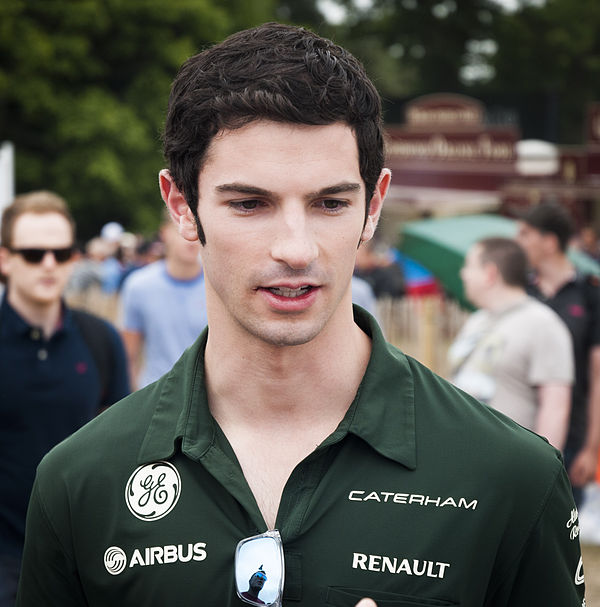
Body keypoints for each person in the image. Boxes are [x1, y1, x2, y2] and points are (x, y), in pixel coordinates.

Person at [17, 24, 585, 607]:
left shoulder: (511, 477)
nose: (296, 248)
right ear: (182, 207)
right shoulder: (79, 481)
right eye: (249, 203)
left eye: (330, 203)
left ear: (374, 205)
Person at [0, 191, 130, 607]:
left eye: (61, 252)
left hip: (85, 558)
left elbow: (123, 448)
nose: (50, 264)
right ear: (5, 259)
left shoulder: (99, 339)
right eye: (34, 253)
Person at [448, 237, 574, 450]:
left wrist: (541, 472)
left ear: (490, 273)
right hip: (465, 458)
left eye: (468, 266)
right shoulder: (476, 320)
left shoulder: (543, 324)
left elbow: (555, 408)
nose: (463, 274)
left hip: (510, 465)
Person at [518, 200, 600, 507]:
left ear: (550, 242)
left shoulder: (590, 293)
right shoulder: (522, 292)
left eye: (525, 234)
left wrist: (591, 448)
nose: (518, 242)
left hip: (572, 431)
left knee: (561, 525)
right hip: (518, 424)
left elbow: (597, 375)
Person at [119, 213, 207, 388]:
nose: (191, 237)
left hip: (207, 397)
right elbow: (128, 355)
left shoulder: (219, 284)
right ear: (165, 232)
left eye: (199, 228)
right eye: (183, 227)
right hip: (156, 394)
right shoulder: (139, 286)